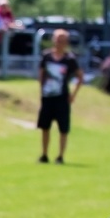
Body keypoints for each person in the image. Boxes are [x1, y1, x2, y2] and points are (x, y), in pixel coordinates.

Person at [37, 28, 83, 164]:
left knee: (63, 128)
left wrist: (73, 95)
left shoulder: (70, 59)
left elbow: (80, 77)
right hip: (48, 96)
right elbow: (41, 74)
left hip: (62, 97)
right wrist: (42, 89)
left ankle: (60, 155)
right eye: (58, 40)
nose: (60, 43)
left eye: (63, 41)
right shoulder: (46, 56)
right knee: (45, 127)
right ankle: (44, 154)